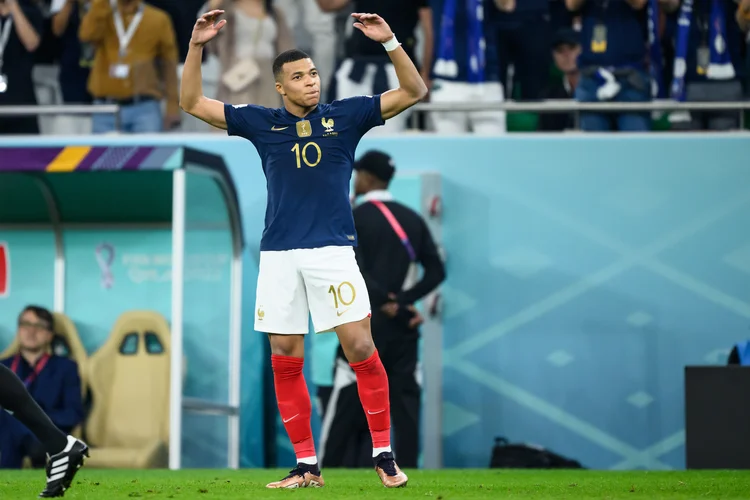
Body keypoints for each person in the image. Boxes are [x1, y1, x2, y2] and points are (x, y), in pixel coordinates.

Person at [180, 8, 427, 489]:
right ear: (281, 87)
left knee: (358, 346)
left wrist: (390, 41)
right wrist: (196, 46)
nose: (311, 82)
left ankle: (383, 453)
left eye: (313, 73)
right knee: (285, 353)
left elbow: (415, 92)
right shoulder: (261, 123)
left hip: (332, 252)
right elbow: (190, 101)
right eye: (299, 77)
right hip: (279, 257)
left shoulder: (347, 115)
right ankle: (306, 465)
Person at [320, 150, 445, 469]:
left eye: (359, 174)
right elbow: (436, 272)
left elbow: (353, 268)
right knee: (405, 406)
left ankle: (325, 471)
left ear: (369, 178)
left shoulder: (355, 216)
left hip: (365, 326)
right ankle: (407, 474)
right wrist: (402, 302)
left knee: (346, 404)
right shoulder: (411, 218)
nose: (356, 180)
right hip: (403, 329)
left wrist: (383, 301)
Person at [0, 306, 85, 470]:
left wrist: (35, 418)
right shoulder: (4, 367)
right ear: (18, 330)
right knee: (10, 421)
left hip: (46, 433)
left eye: (39, 326)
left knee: (16, 420)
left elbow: (73, 414)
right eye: (25, 325)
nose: (31, 331)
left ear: (50, 334)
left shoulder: (66, 368)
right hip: (6, 432)